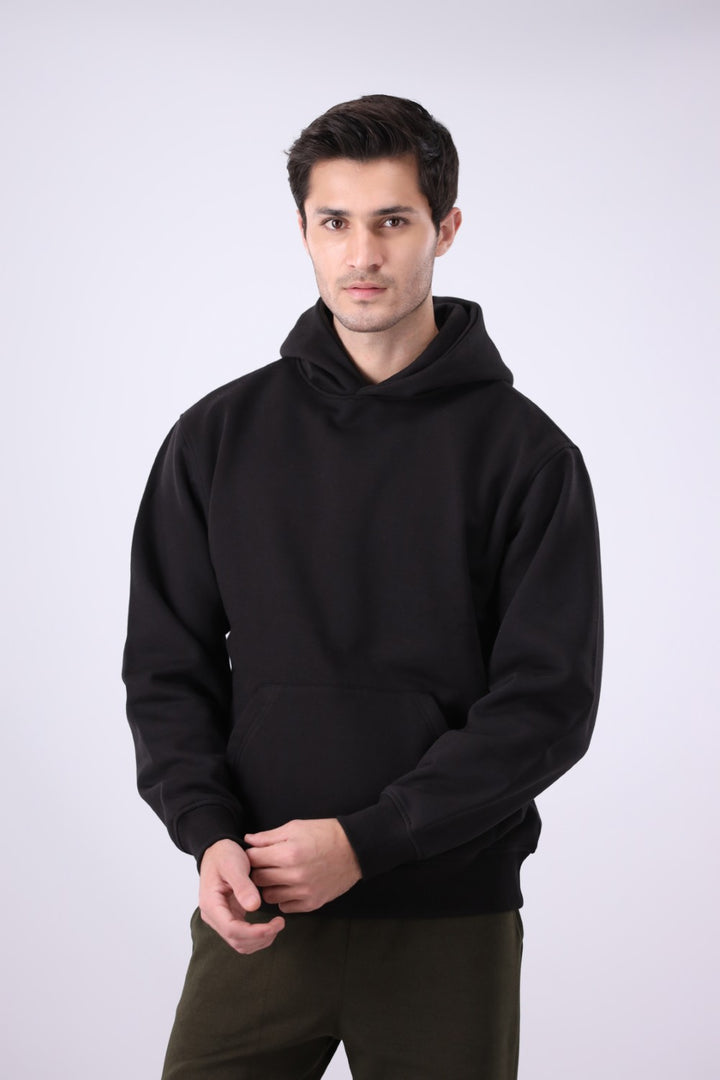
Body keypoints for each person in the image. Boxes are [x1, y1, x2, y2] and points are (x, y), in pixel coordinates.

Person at [122, 94, 603, 1080]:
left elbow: (547, 705)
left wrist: (371, 840)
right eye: (334, 221)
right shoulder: (218, 438)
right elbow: (167, 668)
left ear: (445, 228)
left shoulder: (528, 457)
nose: (363, 254)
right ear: (303, 229)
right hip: (261, 905)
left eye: (392, 221)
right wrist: (207, 836)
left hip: (447, 921)